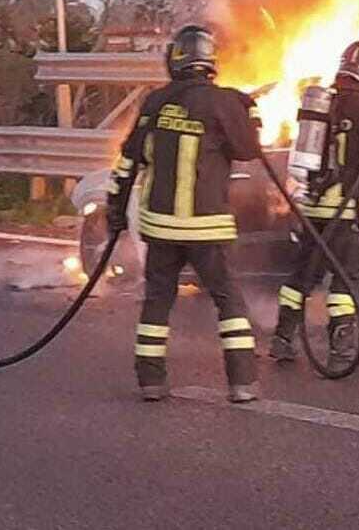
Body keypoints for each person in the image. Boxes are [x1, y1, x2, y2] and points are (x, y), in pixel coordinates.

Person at [106, 25, 263, 403]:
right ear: (210, 61)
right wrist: (250, 115)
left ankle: (151, 381)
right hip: (207, 227)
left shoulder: (155, 102)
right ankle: (242, 382)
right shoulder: (224, 102)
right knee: (227, 300)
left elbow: (127, 162)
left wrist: (115, 213)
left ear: (175, 59)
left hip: (161, 228)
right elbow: (248, 150)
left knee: (158, 300)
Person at [269, 41, 359, 369]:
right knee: (345, 282)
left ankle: (282, 339)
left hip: (315, 210)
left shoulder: (326, 104)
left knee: (301, 277)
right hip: (347, 213)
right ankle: (341, 349)